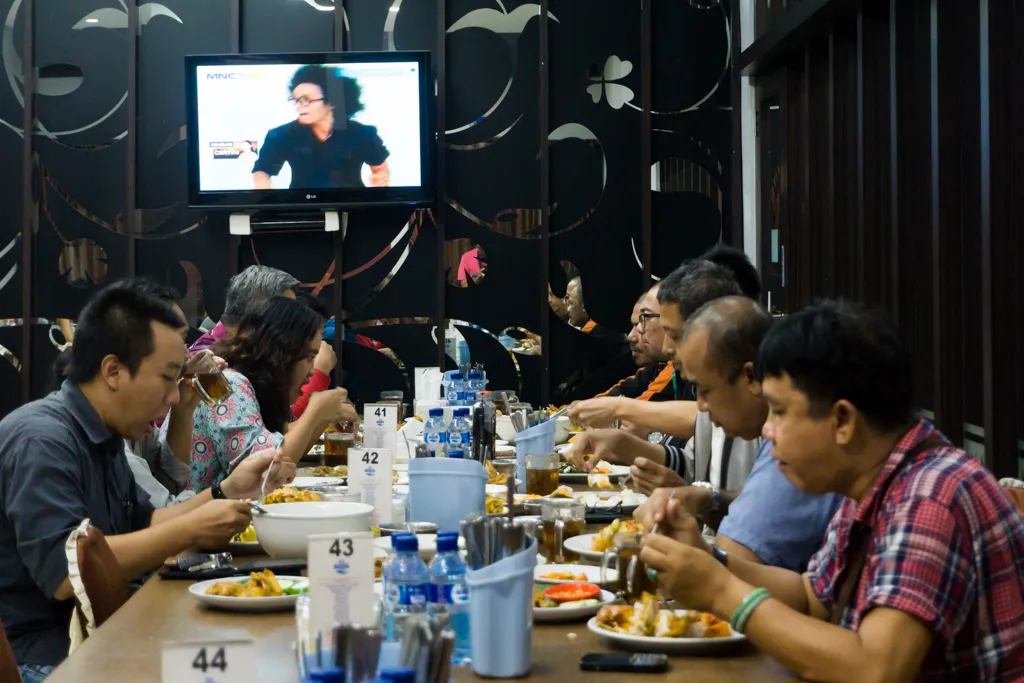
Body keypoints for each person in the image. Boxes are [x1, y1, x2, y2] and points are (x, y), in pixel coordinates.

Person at [640, 301, 1024, 682]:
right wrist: (709, 558)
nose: (768, 430)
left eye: (780, 411)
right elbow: (811, 597)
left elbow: (874, 669)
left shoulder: (930, 495)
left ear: (842, 420)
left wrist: (720, 592)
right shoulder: (875, 480)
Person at [0, 284, 293, 679]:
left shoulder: (104, 432)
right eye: (168, 378)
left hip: (111, 629)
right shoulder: (41, 439)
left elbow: (146, 523)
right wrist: (191, 529)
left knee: (250, 655)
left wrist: (227, 491)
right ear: (113, 371)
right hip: (47, 657)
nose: (174, 398)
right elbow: (68, 574)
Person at [189, 296, 358, 491]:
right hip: (201, 508)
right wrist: (316, 413)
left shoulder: (257, 385)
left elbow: (283, 445)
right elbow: (266, 472)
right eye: (309, 358)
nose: (312, 371)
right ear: (282, 353)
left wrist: (324, 415)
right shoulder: (227, 384)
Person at [253, 64, 390, 190]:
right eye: (296, 100)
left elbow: (380, 169)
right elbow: (262, 171)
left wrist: (380, 180)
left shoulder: (363, 133)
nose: (299, 106)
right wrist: (265, 191)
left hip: (352, 202)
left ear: (332, 102)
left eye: (306, 100)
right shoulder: (281, 135)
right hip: (300, 203)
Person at [190, 265, 299, 354]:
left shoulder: (248, 348)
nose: (293, 322)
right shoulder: (208, 365)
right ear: (258, 309)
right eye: (287, 312)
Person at [594, 287, 676, 403]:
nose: (631, 336)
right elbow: (622, 391)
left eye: (644, 320)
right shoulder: (653, 368)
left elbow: (640, 408)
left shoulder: (675, 367)